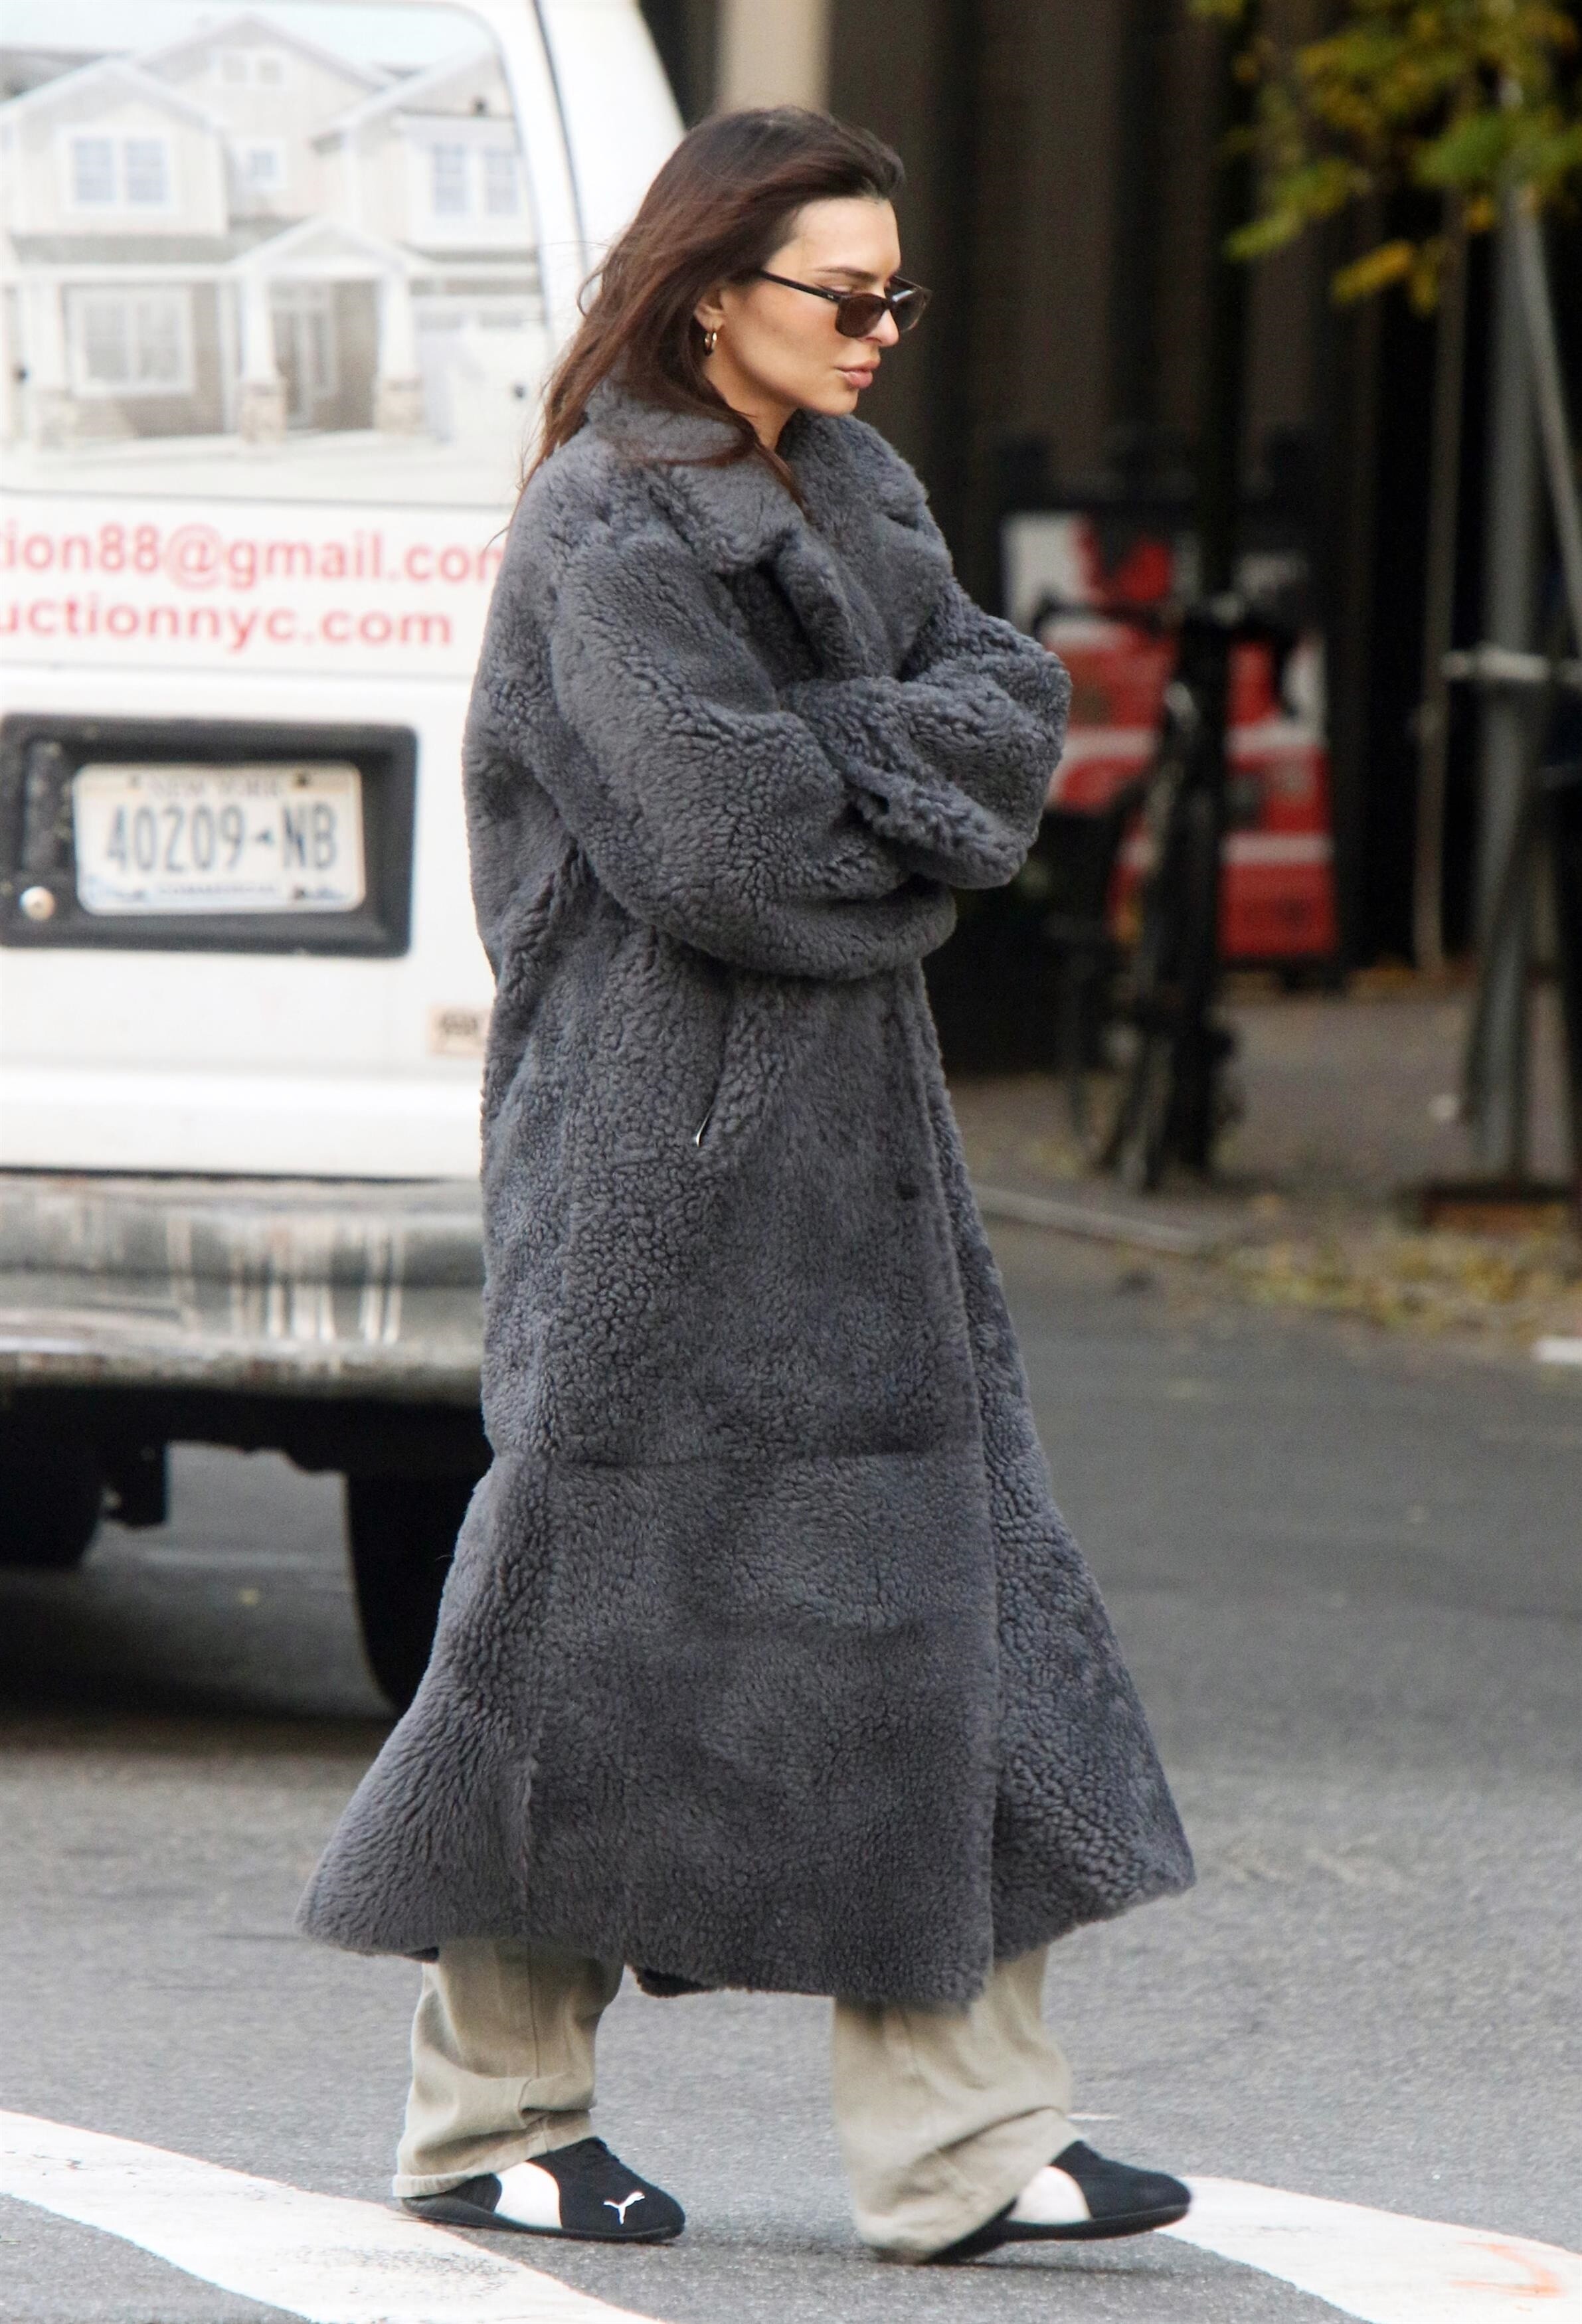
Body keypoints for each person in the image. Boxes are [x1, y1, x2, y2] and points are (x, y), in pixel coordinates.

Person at [299, 107, 1195, 2267]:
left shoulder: (859, 494)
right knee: (591, 1643)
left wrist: (872, 790)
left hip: (860, 1169)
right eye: (846, 293)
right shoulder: (605, 526)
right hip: (652, 1168)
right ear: (714, 294)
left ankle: (966, 2138)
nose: (883, 331)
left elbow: (1013, 718)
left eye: (899, 296)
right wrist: (905, 813)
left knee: (949, 1619)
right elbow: (726, 847)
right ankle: (492, 2110)